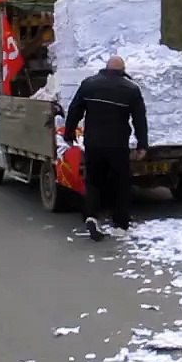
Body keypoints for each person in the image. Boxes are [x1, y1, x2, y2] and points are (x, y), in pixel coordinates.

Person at [64, 55, 149, 242]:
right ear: (122, 71)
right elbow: (139, 119)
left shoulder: (89, 85)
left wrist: (69, 134)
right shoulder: (131, 89)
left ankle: (91, 216)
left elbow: (75, 110)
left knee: (93, 181)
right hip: (118, 145)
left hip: (93, 143)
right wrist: (142, 144)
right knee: (121, 183)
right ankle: (120, 224)